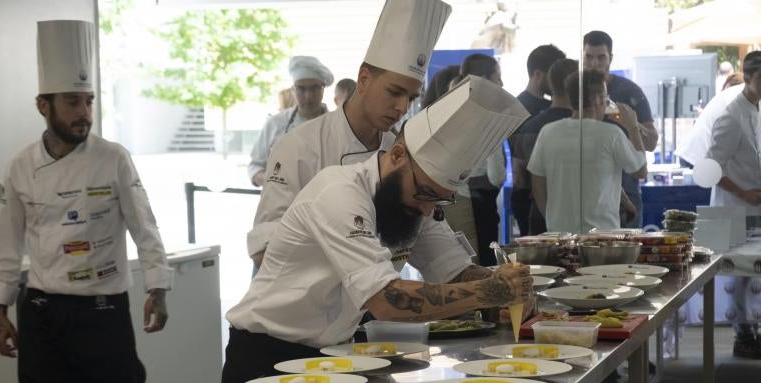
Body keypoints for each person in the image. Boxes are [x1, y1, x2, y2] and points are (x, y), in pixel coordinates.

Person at [220, 74, 532, 383]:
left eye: (438, 199)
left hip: (336, 365)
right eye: (425, 194)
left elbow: (455, 271)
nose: (427, 210)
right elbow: (387, 301)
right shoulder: (338, 192)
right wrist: (491, 293)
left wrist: (510, 284)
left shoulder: (409, 199)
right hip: (268, 365)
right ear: (399, 155)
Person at [0, 20, 171, 383]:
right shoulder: (21, 166)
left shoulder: (113, 159)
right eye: (73, 102)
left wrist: (157, 285)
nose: (84, 113)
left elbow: (145, 226)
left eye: (88, 101)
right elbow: (7, 246)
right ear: (43, 105)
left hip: (103, 311)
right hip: (44, 311)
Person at [247, 0, 452, 270]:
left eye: (411, 98)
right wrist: (353, 262)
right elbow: (264, 249)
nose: (402, 107)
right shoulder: (299, 146)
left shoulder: (400, 156)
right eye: (394, 92)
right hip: (311, 308)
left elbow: (434, 243)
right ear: (364, 79)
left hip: (378, 303)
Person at [529, 69, 646, 235]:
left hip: (560, 235)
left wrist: (552, 219)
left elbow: (538, 185)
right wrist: (633, 126)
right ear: (597, 98)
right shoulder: (611, 134)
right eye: (605, 97)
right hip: (604, 236)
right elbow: (641, 171)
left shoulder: (547, 132)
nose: (606, 102)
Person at [705, 51, 761, 358]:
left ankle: (751, 330)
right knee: (740, 277)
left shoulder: (755, 110)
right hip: (734, 209)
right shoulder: (731, 115)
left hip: (752, 207)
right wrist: (744, 192)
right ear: (748, 77)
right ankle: (743, 335)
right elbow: (710, 168)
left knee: (753, 275)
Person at [583, 30, 658, 229]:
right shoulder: (574, 90)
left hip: (627, 186)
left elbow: (652, 142)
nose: (594, 63)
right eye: (589, 57)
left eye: (601, 57)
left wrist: (632, 124)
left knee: (628, 255)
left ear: (611, 58)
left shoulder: (630, 92)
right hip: (583, 190)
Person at [442, 54, 507, 265]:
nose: (502, 84)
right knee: (483, 265)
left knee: (458, 264)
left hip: (450, 199)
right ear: (485, 81)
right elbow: (497, 173)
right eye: (497, 78)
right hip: (479, 203)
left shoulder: (448, 111)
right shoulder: (486, 115)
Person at [511, 58, 579, 235]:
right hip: (579, 213)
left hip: (537, 212)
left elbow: (519, 176)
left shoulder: (530, 126)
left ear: (550, 82)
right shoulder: (585, 128)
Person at [248, 56, 333, 187]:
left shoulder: (336, 126)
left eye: (314, 88)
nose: (308, 95)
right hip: (282, 203)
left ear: (323, 89)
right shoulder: (275, 123)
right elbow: (255, 167)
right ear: (293, 90)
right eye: (301, 88)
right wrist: (274, 181)